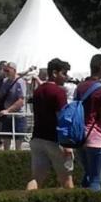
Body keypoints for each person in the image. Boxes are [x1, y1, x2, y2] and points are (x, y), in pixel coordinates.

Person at [26, 58, 74, 190]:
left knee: (36, 178)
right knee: (67, 179)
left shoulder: (38, 91)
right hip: (54, 140)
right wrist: (67, 144)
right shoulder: (58, 92)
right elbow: (62, 119)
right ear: (54, 73)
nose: (66, 77)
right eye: (63, 73)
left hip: (37, 138)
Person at [76, 54, 101, 191]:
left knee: (87, 175)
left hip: (79, 135)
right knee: (95, 179)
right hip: (95, 136)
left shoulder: (80, 87)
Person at [0, 62, 27, 150]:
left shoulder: (20, 82)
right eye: (4, 70)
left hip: (18, 116)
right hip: (7, 116)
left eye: (7, 70)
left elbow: (21, 101)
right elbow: (0, 96)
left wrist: (8, 110)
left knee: (18, 144)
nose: (5, 72)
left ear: (14, 70)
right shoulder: (5, 81)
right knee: (6, 142)